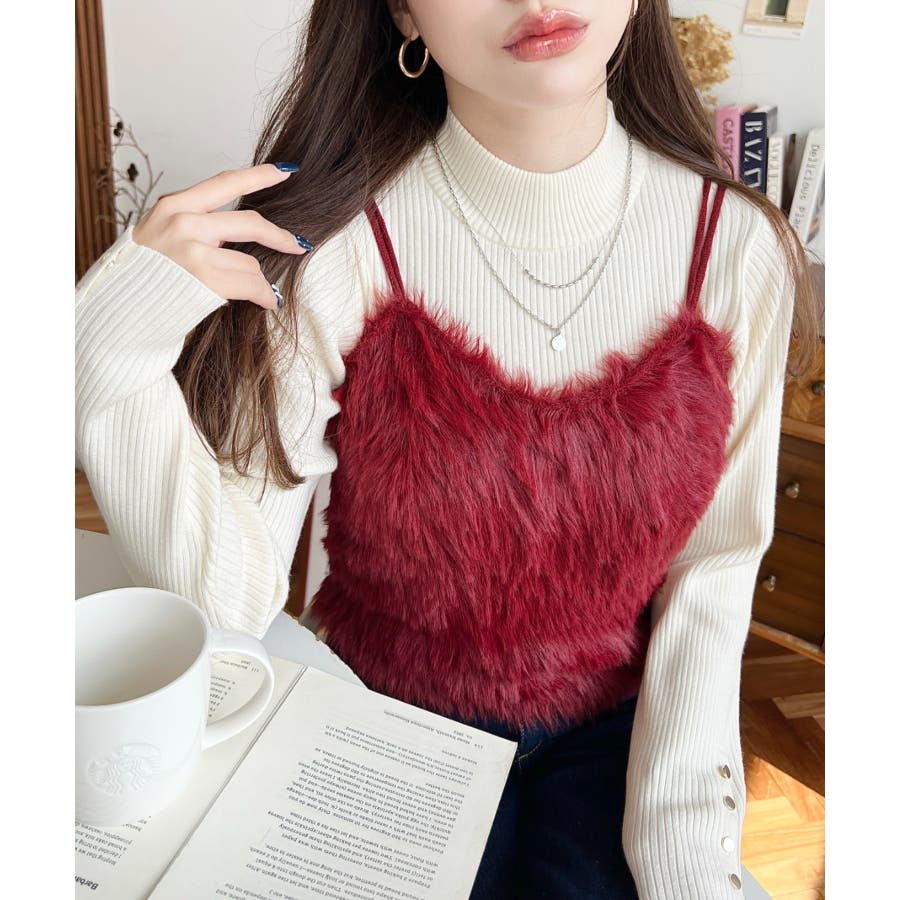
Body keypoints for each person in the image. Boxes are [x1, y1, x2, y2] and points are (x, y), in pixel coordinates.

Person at [75, 1, 820, 897]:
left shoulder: (737, 246)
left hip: (624, 735)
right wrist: (108, 357)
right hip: (384, 726)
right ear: (402, 13)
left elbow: (715, 570)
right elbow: (226, 601)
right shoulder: (335, 244)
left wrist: (684, 853)